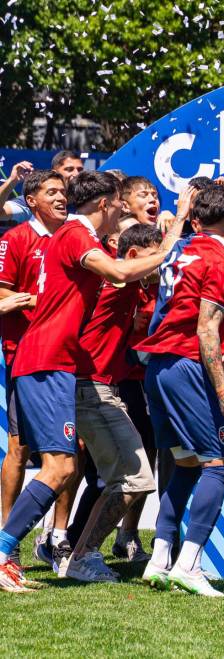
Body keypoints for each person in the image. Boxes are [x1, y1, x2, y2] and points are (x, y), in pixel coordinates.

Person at [0, 171, 179, 593]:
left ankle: (46, 551)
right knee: (59, 467)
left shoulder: (69, 235)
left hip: (55, 362)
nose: (121, 210)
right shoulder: (77, 234)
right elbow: (117, 271)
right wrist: (168, 248)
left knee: (67, 467)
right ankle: (7, 551)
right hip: (47, 360)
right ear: (104, 204)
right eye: (118, 203)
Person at [137, 185, 224, 597]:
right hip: (185, 364)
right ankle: (190, 564)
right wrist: (222, 389)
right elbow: (206, 329)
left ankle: (160, 558)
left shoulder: (179, 248)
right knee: (219, 467)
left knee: (185, 465)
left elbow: (155, 267)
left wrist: (180, 216)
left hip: (157, 368)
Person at [66, 224, 165, 581]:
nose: (160, 265)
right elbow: (124, 272)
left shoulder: (127, 285)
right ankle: (76, 553)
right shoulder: (119, 280)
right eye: (156, 257)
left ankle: (78, 553)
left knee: (117, 480)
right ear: (134, 256)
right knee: (134, 478)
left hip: (97, 388)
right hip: (91, 389)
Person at [0, 170, 67, 571]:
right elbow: (1, 291)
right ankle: (7, 542)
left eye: (64, 192)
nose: (61, 197)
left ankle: (55, 537)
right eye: (52, 192)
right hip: (26, 354)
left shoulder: (71, 238)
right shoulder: (15, 239)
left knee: (69, 451)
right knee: (21, 449)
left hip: (65, 357)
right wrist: (34, 300)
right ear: (31, 201)